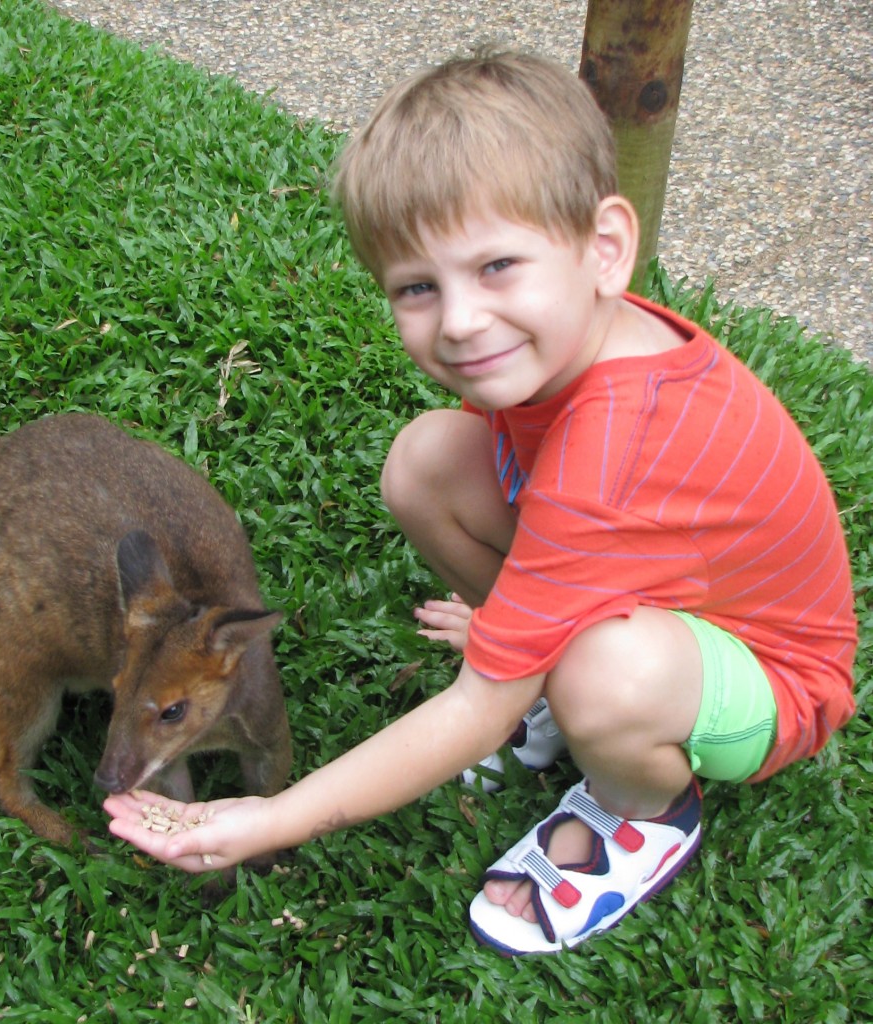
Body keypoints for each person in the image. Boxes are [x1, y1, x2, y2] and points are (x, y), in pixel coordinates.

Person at [104, 50, 857, 955]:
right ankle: (550, 660)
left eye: (496, 265)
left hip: (775, 680)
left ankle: (643, 812)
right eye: (418, 287)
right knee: (427, 461)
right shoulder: (570, 338)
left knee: (603, 676)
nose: (459, 320)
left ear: (606, 249)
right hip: (667, 586)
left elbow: (473, 710)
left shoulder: (616, 442)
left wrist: (274, 817)